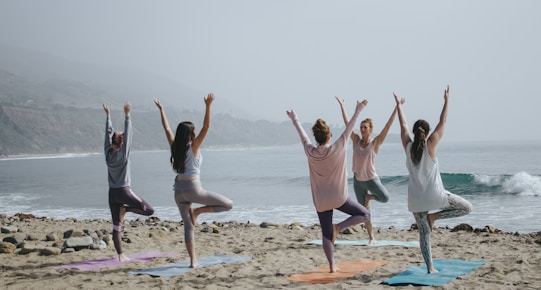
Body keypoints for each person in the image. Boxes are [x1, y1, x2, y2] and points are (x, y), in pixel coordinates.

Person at [394, 86, 472, 273]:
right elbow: (442, 121)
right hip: (436, 196)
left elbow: (403, 127)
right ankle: (435, 216)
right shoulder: (432, 144)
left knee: (424, 234)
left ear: (414, 133)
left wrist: (399, 106)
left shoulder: (407, 146)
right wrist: (446, 100)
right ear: (427, 133)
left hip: (416, 200)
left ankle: (430, 267)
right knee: (467, 208)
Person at [286, 99, 371, 273]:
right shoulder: (337, 147)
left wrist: (294, 119)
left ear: (317, 138)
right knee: (365, 214)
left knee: (325, 234)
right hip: (339, 197)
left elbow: (302, 136)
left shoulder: (310, 151)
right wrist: (359, 109)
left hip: (321, 200)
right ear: (329, 136)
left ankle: (332, 266)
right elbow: (350, 127)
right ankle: (339, 228)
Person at [154, 93, 233, 268]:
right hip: (193, 188)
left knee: (188, 227)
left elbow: (166, 129)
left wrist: (162, 110)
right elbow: (207, 127)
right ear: (191, 134)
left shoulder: (175, 147)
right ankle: (198, 212)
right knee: (228, 205)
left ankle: (193, 261)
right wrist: (208, 105)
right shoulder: (194, 146)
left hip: (178, 191)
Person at [336, 96, 403, 245]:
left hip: (372, 180)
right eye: (361, 127)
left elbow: (388, 126)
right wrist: (342, 106)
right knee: (365, 213)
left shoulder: (376, 143)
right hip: (358, 182)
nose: (362, 129)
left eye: (365, 127)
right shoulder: (355, 140)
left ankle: (370, 198)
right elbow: (348, 124)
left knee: (385, 197)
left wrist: (396, 107)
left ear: (371, 129)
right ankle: (372, 237)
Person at [103, 102, 155, 262]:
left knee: (116, 226)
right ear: (122, 143)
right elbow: (129, 134)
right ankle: (127, 210)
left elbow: (107, 134)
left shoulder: (107, 153)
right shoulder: (123, 154)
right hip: (124, 192)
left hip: (112, 194)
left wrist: (108, 117)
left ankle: (120, 255)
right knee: (149, 210)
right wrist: (127, 115)